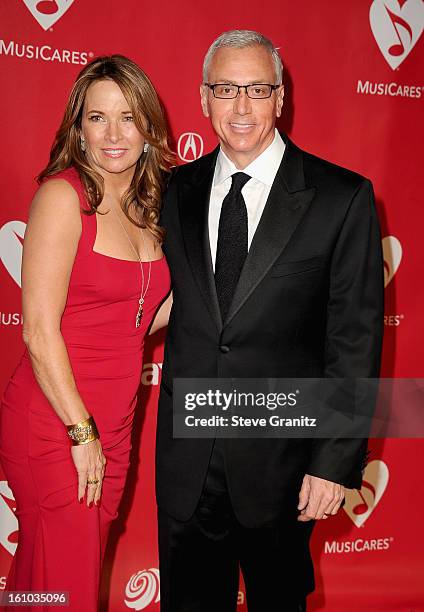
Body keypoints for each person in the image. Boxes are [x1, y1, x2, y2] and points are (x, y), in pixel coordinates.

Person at [156, 30, 384, 611]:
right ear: (203, 98)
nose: (240, 106)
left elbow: (353, 341)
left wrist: (334, 462)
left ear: (280, 97)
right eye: (225, 89)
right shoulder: (173, 191)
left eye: (257, 89)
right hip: (188, 463)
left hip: (283, 467)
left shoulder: (341, 197)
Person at [0, 55, 173, 611]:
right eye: (98, 118)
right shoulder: (63, 197)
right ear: (79, 127)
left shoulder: (147, 206)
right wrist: (82, 433)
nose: (114, 133)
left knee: (48, 578)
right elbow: (37, 331)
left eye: (128, 117)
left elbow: (142, 314)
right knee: (66, 586)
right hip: (58, 423)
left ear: (148, 127)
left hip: (114, 426)